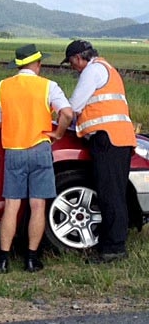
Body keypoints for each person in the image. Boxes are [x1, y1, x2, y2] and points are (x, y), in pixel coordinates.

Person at [0, 44, 73, 273]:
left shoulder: (2, 87)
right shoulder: (48, 86)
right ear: (38, 64)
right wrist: (57, 133)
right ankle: (31, 259)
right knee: (38, 206)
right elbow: (67, 113)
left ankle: (3, 260)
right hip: (39, 148)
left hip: (14, 150)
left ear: (17, 65)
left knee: (11, 205)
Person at [61, 39, 137, 264]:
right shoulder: (107, 68)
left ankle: (113, 248)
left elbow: (74, 106)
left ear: (77, 58)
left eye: (71, 63)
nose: (73, 67)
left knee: (109, 194)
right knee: (116, 192)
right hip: (120, 138)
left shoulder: (92, 71)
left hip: (107, 139)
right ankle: (114, 243)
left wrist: (59, 124)